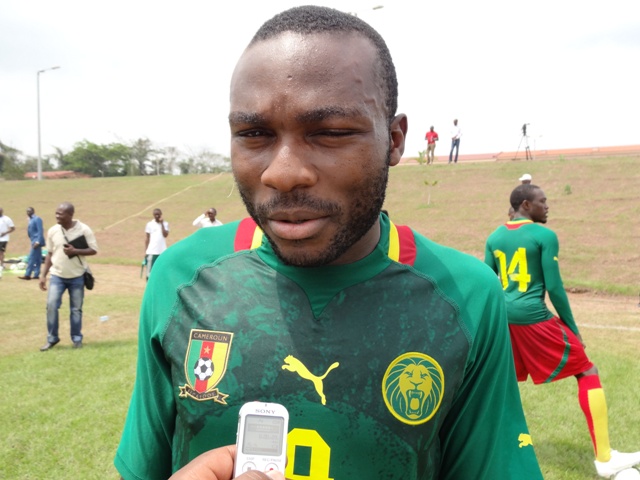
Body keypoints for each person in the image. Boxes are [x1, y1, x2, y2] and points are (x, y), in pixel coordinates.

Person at [115, 6, 541, 479]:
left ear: (394, 139)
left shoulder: (466, 296)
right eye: (253, 134)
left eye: (332, 133)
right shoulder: (181, 279)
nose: (283, 173)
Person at [484, 184, 640, 478]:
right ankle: (605, 458)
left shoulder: (494, 237)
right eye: (543, 201)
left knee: (501, 382)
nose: (547, 206)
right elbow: (554, 288)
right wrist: (572, 329)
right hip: (532, 316)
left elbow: (488, 281)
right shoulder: (544, 236)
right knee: (587, 371)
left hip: (505, 318)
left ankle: (487, 453)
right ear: (526, 205)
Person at [39, 202, 98, 351]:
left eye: (60, 213)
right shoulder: (53, 230)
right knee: (51, 306)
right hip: (57, 276)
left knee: (76, 309)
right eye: (56, 213)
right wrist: (43, 275)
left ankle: (77, 339)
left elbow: (93, 250)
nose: (57, 216)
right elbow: (49, 254)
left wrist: (75, 251)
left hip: (77, 276)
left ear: (70, 215)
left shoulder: (84, 229)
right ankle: (52, 339)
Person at [19, 207, 45, 280]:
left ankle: (27, 274)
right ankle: (36, 274)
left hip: (36, 241)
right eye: (27, 211)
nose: (28, 212)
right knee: (38, 258)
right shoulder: (30, 219)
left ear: (33, 211)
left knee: (31, 257)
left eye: (29, 211)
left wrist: (38, 241)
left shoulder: (37, 219)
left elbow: (40, 230)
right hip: (33, 240)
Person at [144, 208, 169, 278]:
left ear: (161, 214)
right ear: (153, 215)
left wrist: (162, 224)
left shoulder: (165, 224)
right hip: (152, 251)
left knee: (161, 270)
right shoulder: (149, 224)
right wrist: (146, 251)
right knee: (149, 271)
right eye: (155, 215)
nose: (157, 216)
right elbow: (147, 238)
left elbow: (165, 235)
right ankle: (148, 283)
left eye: (158, 214)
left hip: (162, 251)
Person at [0, 207, 16, 273]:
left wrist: (5, 233)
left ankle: (2, 265)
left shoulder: (6, 219)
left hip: (3, 239)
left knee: (1, 252)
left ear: (2, 211)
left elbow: (13, 228)